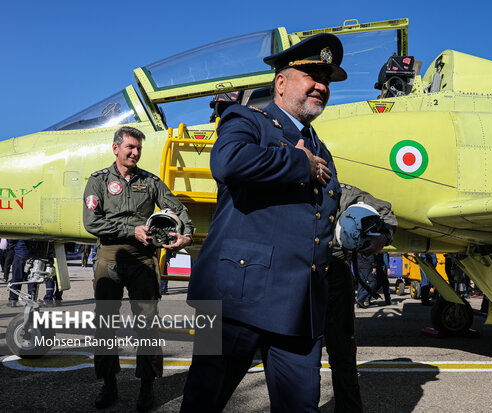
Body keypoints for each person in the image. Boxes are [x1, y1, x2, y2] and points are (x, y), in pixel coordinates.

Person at [181, 33, 347, 412]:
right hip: (232, 299)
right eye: (311, 75)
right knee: (202, 401)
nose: (321, 85)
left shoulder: (321, 148)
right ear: (282, 82)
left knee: (300, 407)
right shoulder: (246, 119)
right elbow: (229, 162)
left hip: (297, 307)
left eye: (326, 79)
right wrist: (297, 163)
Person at [83, 126, 194, 411]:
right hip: (110, 257)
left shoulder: (151, 181)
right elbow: (92, 223)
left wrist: (187, 235)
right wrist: (131, 230)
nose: (134, 153)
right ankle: (109, 386)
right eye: (130, 147)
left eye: (138, 149)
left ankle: (147, 389)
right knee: (105, 325)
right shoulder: (98, 181)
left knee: (147, 324)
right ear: (115, 148)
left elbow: (178, 209)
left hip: (143, 260)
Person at [325, 184, 397, 413]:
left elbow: (385, 212)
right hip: (297, 274)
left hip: (334, 272)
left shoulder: (340, 193)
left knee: (343, 351)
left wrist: (383, 236)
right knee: (299, 351)